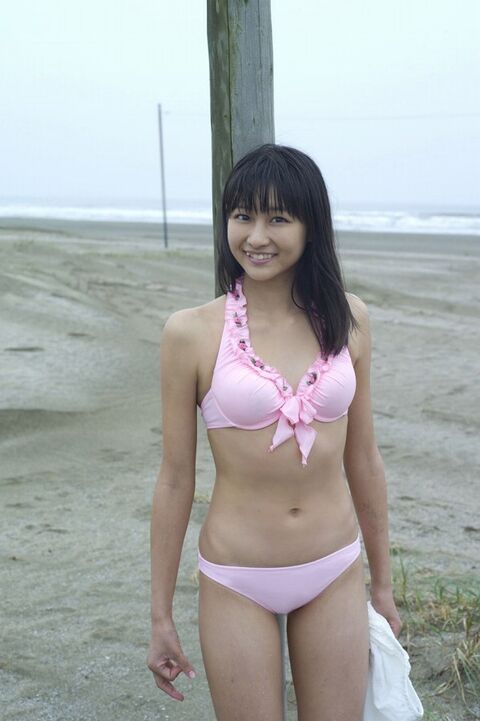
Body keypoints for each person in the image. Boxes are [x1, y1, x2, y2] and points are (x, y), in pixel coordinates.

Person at [147, 144, 402, 721]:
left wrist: (382, 586)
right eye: (243, 216)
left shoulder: (349, 319)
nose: (256, 236)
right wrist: (160, 615)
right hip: (237, 576)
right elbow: (174, 480)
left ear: (311, 227)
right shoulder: (190, 333)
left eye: (278, 218)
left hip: (334, 566)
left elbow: (364, 459)